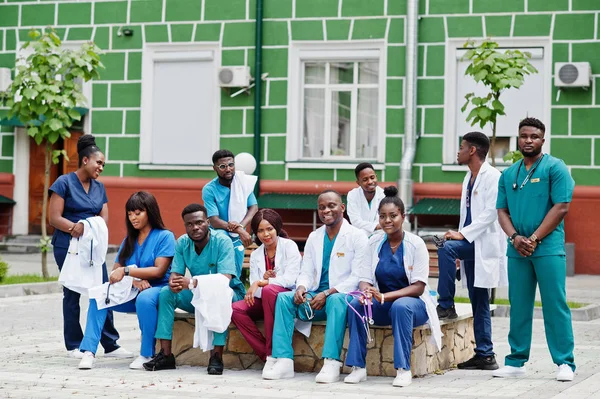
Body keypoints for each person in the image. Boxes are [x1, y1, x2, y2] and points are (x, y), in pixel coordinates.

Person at [494, 118, 575, 382]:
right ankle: (516, 360)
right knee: (518, 305)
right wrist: (516, 237)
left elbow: (561, 207)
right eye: (524, 136)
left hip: (548, 248)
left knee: (554, 304)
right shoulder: (508, 174)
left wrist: (535, 238)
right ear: (518, 139)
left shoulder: (555, 168)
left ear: (543, 139)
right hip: (517, 249)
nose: (528, 140)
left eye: (534, 136)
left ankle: (565, 362)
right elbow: (502, 211)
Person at [263, 190, 369, 383]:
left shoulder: (357, 236)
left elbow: (358, 276)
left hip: (341, 296)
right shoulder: (314, 236)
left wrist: (328, 293)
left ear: (342, 208)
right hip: (316, 298)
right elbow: (306, 269)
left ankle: (331, 362)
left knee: (336, 300)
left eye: (331, 206)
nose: (325, 210)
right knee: (283, 298)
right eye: (321, 207)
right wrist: (301, 287)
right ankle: (284, 361)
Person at [344, 186, 441, 387]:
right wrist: (366, 292)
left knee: (401, 305)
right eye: (382, 216)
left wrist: (384, 297)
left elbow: (419, 287)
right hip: (382, 303)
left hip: (413, 306)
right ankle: (358, 367)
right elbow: (364, 277)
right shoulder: (374, 243)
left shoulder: (416, 244)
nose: (387, 221)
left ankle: (403, 369)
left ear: (403, 216)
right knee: (356, 304)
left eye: (393, 216)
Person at [77, 192, 176, 370]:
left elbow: (159, 270)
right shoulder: (129, 240)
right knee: (98, 296)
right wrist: (133, 281)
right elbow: (115, 272)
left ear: (150, 212)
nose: (133, 218)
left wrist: (127, 271)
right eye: (130, 213)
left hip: (158, 288)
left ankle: (146, 354)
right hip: (133, 289)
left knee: (145, 299)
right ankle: (89, 352)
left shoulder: (165, 236)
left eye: (138, 213)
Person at [48, 134, 126, 359]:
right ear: (85, 160)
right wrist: (77, 227)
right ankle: (74, 344)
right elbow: (54, 218)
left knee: (102, 291)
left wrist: (89, 227)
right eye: (98, 162)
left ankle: (110, 344)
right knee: (72, 293)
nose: (101, 167)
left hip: (93, 247)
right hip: (67, 246)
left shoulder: (99, 188)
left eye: (103, 164)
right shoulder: (63, 183)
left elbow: (103, 218)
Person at [143, 204, 245, 375]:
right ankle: (166, 355)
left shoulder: (222, 241)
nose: (195, 227)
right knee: (166, 293)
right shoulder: (183, 242)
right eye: (189, 224)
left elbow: (224, 280)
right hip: (198, 294)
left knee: (218, 295)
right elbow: (175, 273)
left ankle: (216, 356)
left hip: (230, 295)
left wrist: (192, 282)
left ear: (207, 222)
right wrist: (174, 282)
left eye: (199, 222)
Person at [435, 132, 507, 370]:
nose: (458, 151)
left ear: (473, 150)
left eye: (462, 146)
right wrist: (461, 235)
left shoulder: (493, 176)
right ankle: (486, 355)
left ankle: (445, 304)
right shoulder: (469, 177)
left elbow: (490, 213)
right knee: (479, 301)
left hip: (482, 242)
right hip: (472, 243)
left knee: (445, 248)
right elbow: (467, 213)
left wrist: (462, 235)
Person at [231, 209, 301, 372]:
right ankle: (265, 353)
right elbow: (256, 291)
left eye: (269, 229)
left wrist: (264, 281)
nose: (266, 234)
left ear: (276, 228)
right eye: (260, 230)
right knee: (236, 310)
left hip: (287, 299)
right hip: (266, 300)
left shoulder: (289, 246)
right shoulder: (256, 254)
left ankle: (272, 353)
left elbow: (291, 280)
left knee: (269, 290)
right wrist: (262, 283)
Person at [202, 149, 258, 279]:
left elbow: (253, 207)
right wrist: (239, 229)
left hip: (238, 234)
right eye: (222, 166)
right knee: (224, 243)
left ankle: (236, 290)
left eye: (231, 165)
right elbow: (214, 220)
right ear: (214, 168)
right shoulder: (209, 189)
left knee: (236, 272)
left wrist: (240, 226)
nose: (228, 169)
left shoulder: (242, 182)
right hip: (218, 233)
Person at [346, 162, 385, 235]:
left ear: (376, 177)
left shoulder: (384, 195)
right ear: (358, 183)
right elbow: (355, 221)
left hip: (379, 235)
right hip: (358, 236)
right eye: (365, 179)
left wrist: (376, 227)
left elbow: (382, 221)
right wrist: (376, 226)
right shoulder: (352, 195)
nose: (370, 182)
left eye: (372, 177)